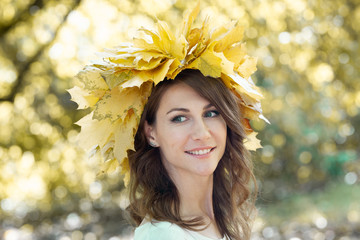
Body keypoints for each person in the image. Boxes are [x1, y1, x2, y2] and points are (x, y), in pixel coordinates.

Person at [69, 3, 268, 240]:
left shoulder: (221, 223)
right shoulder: (161, 235)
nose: (202, 133)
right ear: (151, 133)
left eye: (211, 113)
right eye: (179, 118)